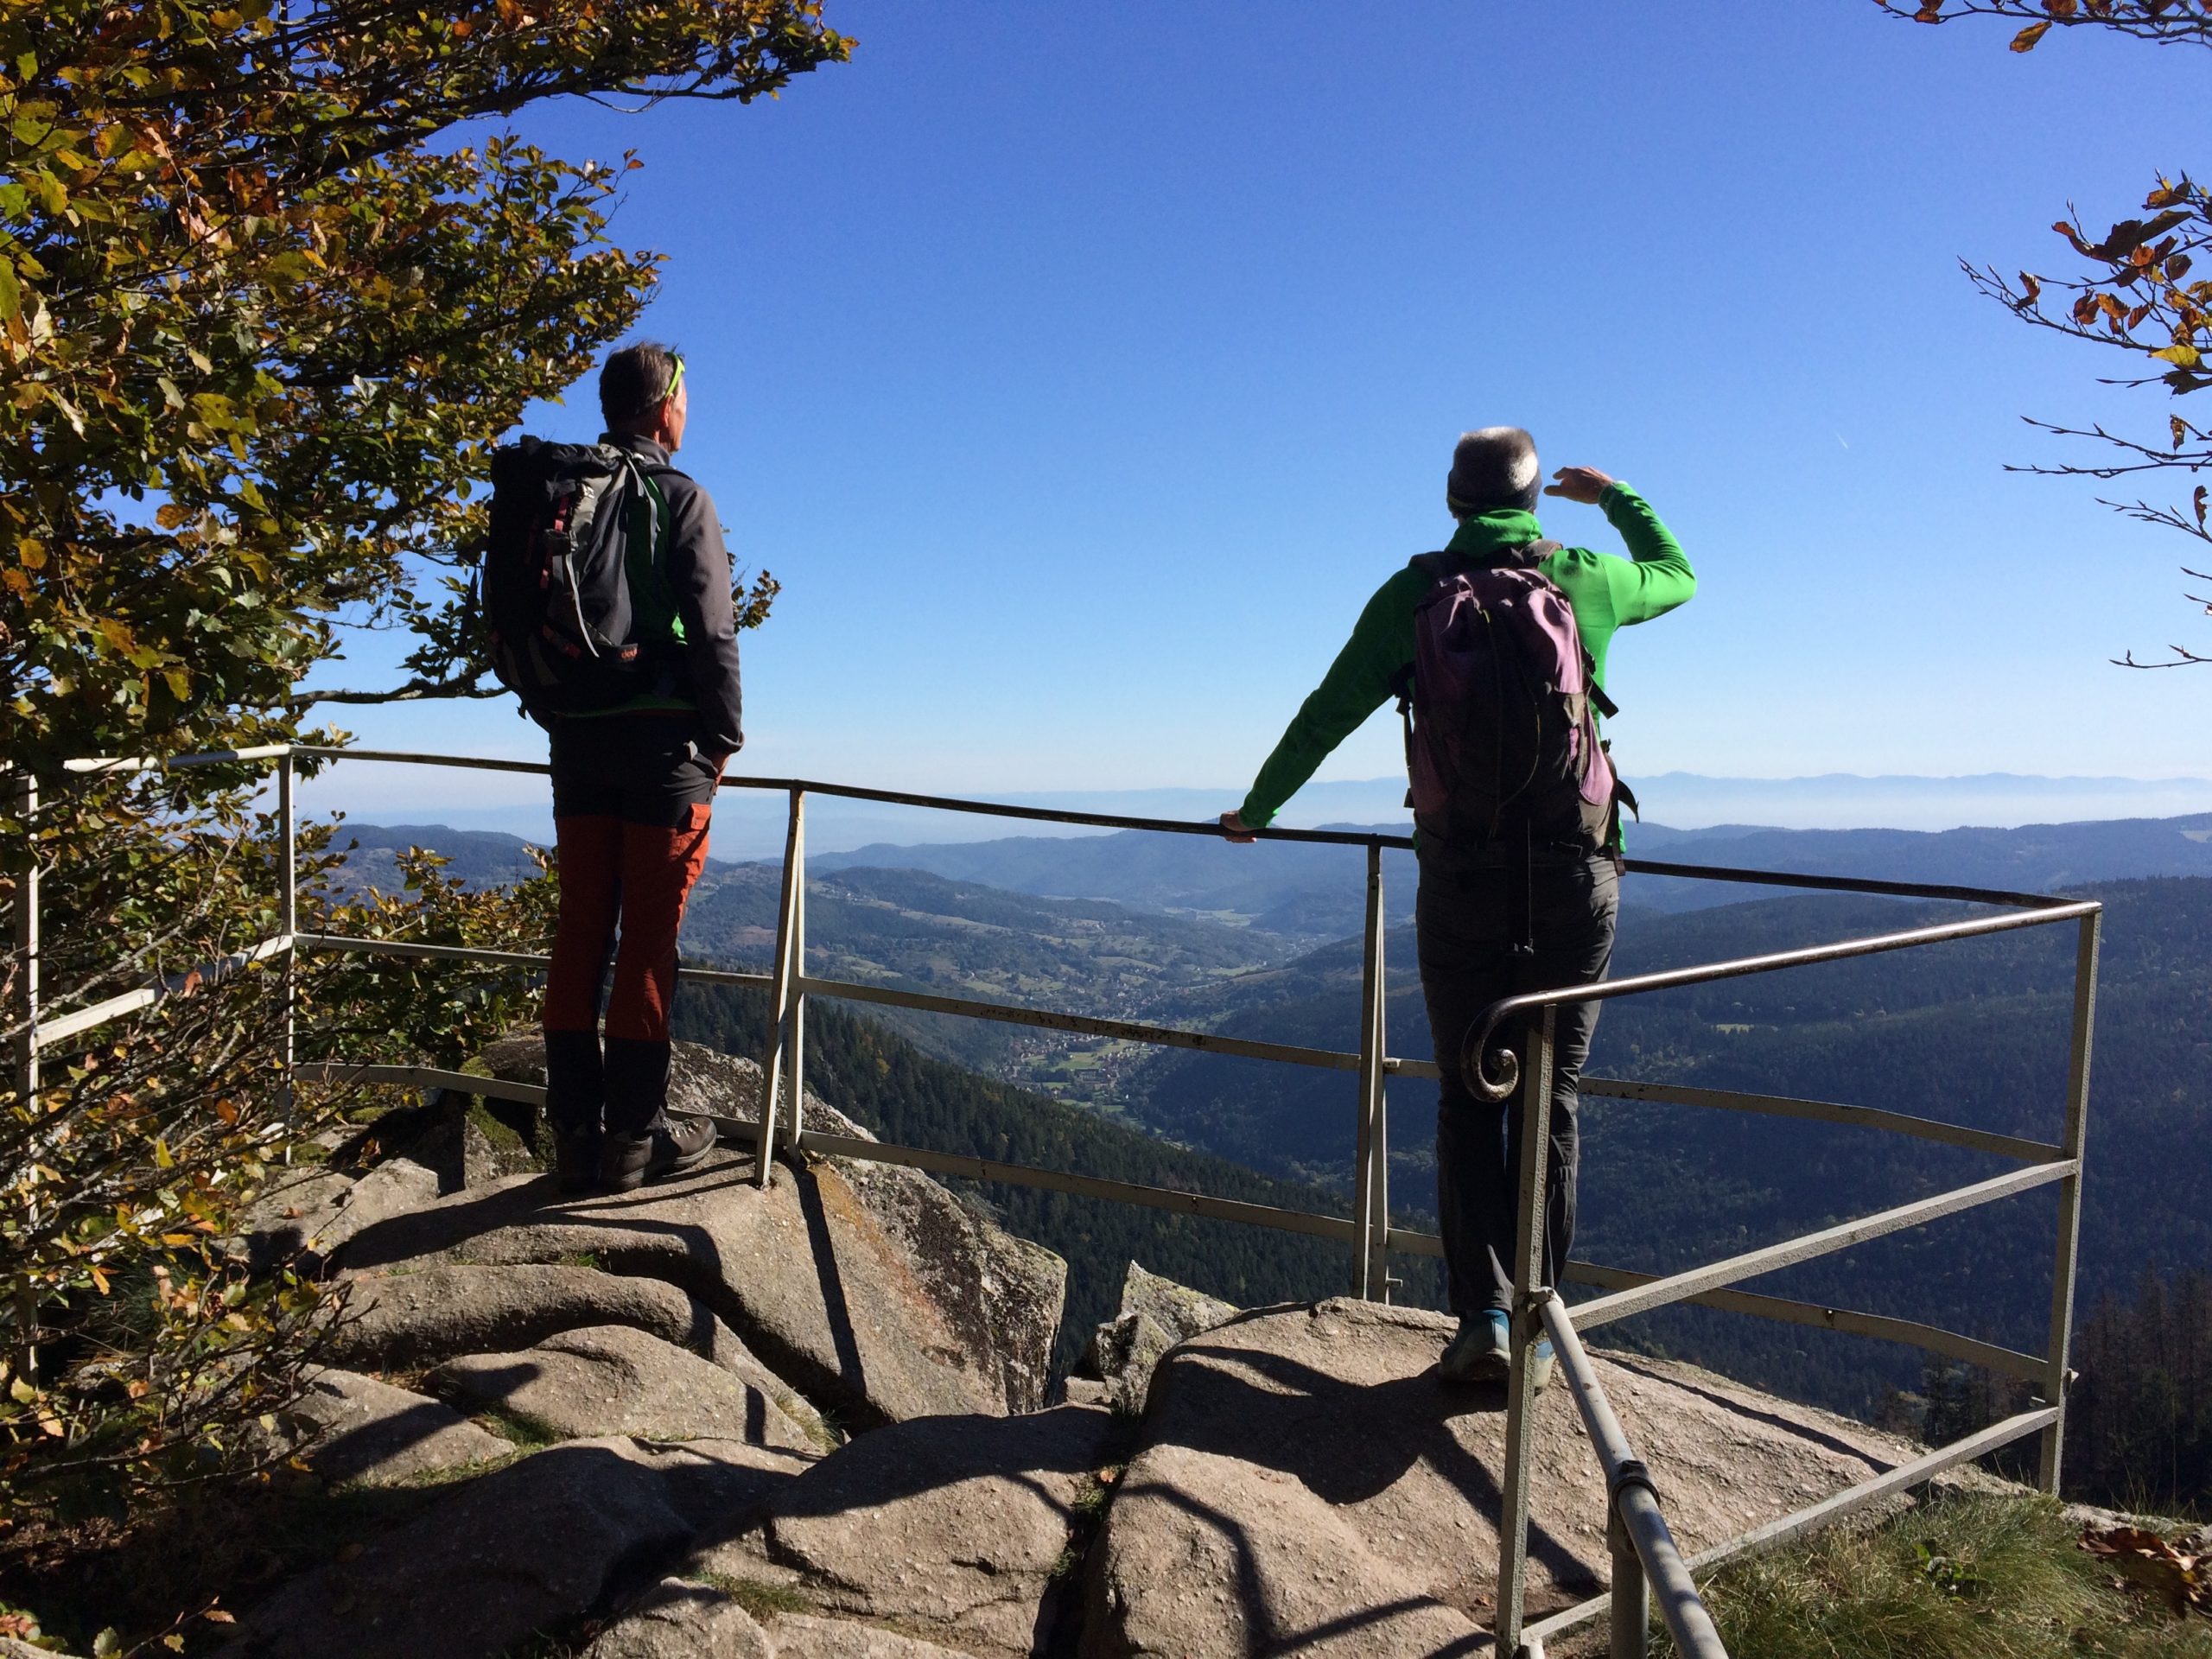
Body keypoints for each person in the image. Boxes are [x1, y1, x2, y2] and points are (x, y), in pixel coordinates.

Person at [1219, 427, 1694, 1387]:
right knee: (1551, 1096)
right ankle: (1535, 1321)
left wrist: (1257, 810)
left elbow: (1326, 711)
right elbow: (1677, 573)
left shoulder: (1412, 597)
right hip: (1573, 874)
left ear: (1452, 499)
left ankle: (1476, 1315)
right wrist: (1613, 495)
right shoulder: (1586, 579)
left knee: (1470, 1092)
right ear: (1530, 495)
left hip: (1461, 879)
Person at [540, 341, 744, 1193]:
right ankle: (633, 1139)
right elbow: (712, 628)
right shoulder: (676, 496)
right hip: (664, 753)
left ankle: (573, 1136)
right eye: (685, 403)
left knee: (583, 926)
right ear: (665, 409)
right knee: (648, 943)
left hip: (577, 743)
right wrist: (724, 735)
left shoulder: (558, 498)